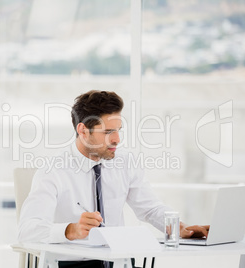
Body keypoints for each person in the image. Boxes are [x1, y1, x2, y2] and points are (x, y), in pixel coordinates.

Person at [18, 90, 209, 267]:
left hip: (119, 261)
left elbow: (150, 209)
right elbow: (27, 230)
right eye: (108, 132)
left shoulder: (125, 161)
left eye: (118, 130)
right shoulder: (53, 170)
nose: (117, 139)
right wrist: (70, 230)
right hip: (74, 264)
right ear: (83, 131)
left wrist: (181, 228)